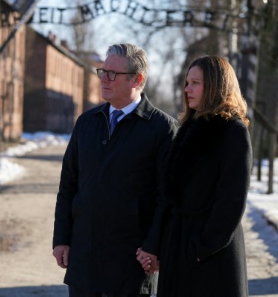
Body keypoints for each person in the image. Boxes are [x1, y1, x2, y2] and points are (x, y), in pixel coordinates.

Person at [52, 43, 177, 296]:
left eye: (113, 74)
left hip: (132, 263)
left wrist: (153, 247)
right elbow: (68, 185)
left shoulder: (162, 129)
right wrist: (61, 238)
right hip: (84, 259)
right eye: (103, 71)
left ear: (137, 79)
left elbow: (168, 197)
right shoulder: (86, 122)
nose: (104, 79)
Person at [138, 55, 252, 296]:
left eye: (195, 83)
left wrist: (200, 248)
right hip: (179, 251)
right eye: (187, 82)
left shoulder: (232, 131)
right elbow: (171, 195)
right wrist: (163, 245)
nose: (187, 89)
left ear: (216, 85)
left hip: (211, 259)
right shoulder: (188, 128)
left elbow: (231, 202)